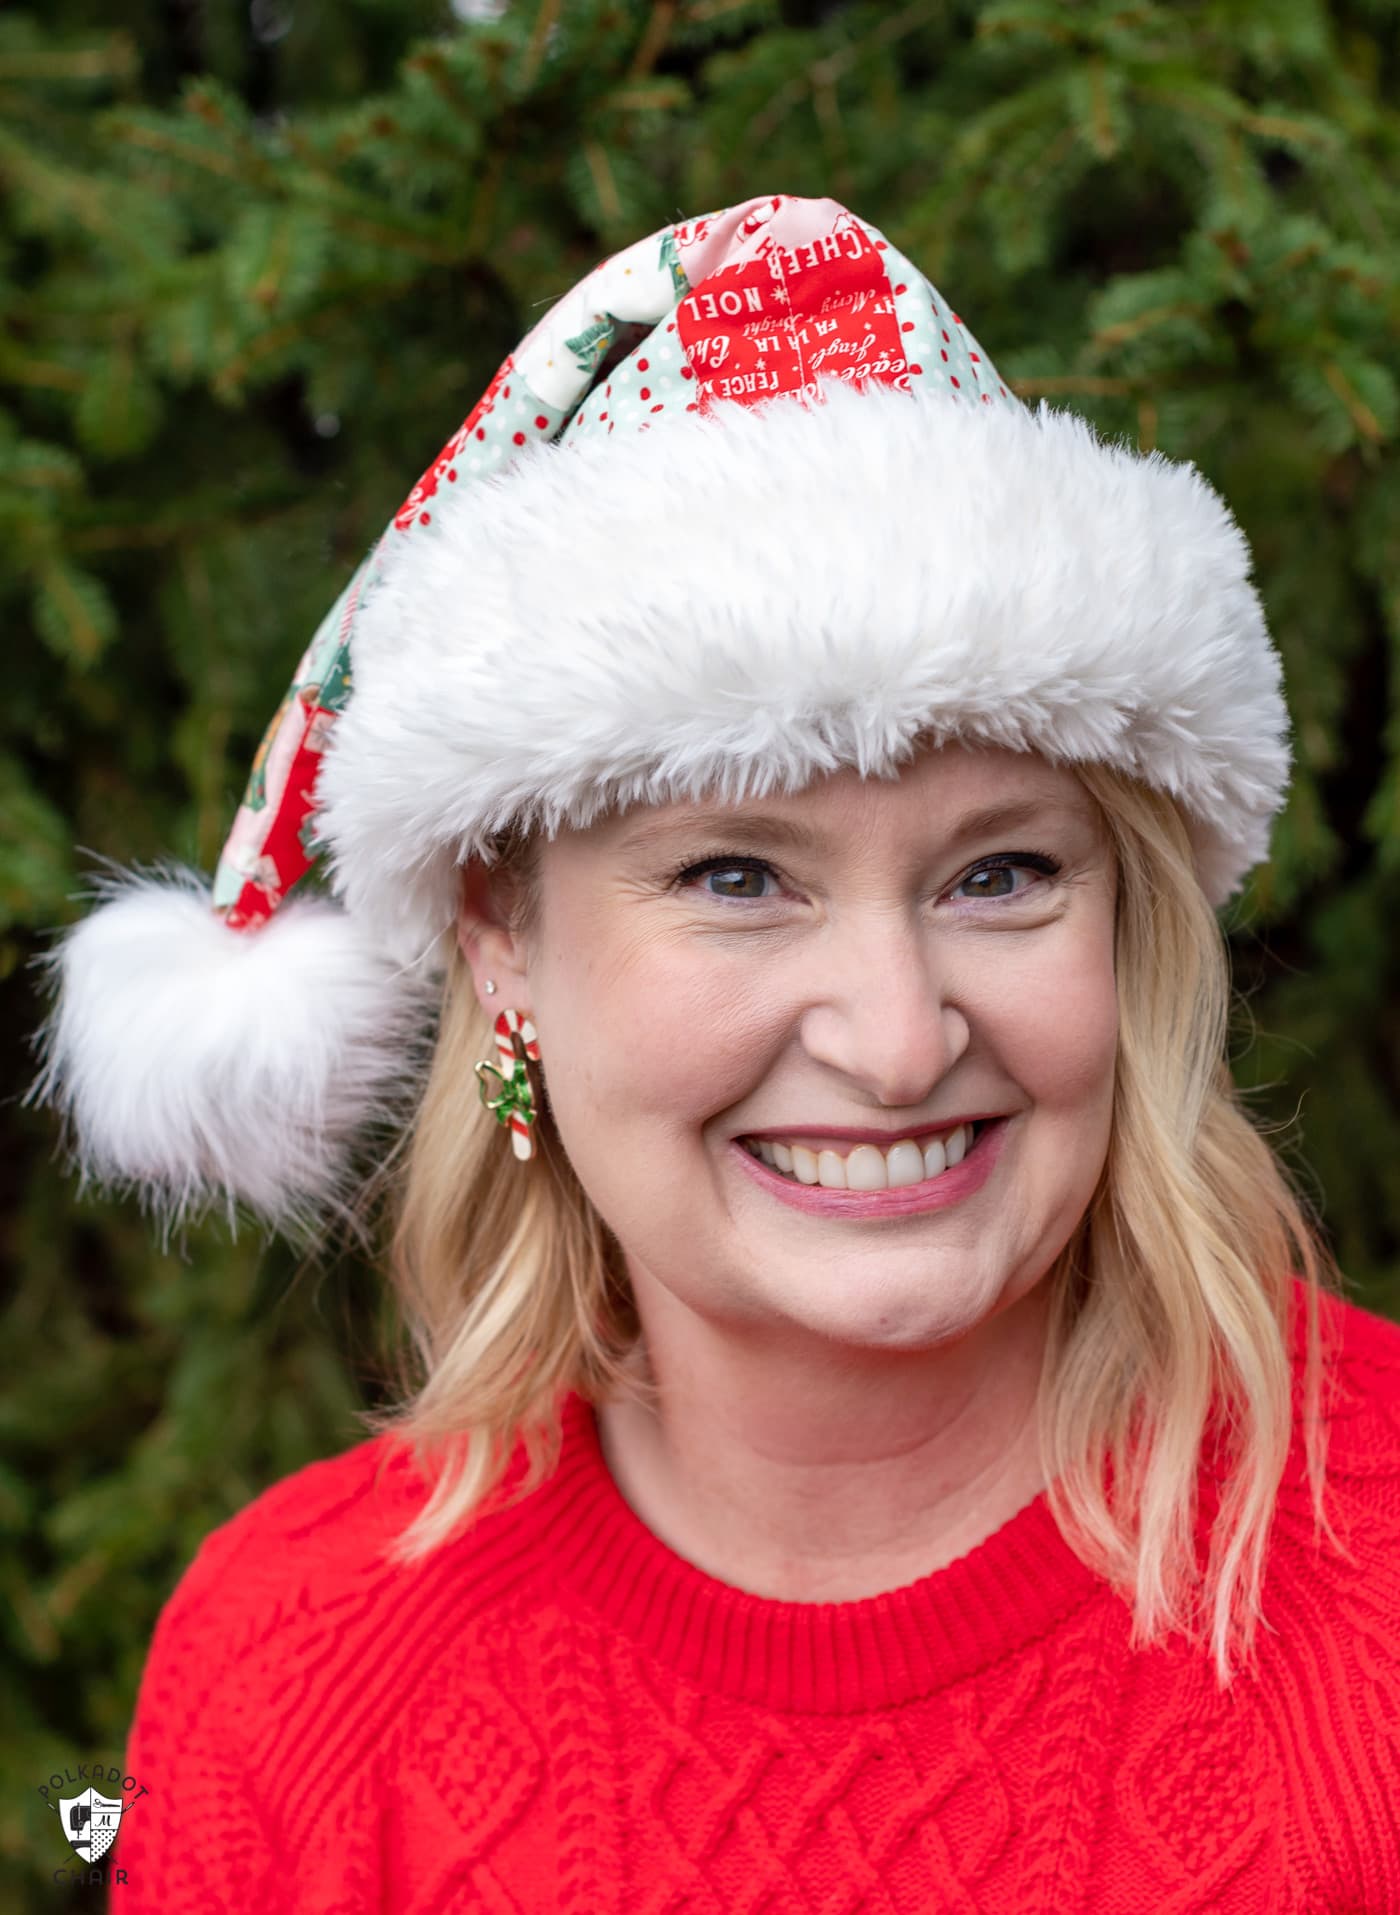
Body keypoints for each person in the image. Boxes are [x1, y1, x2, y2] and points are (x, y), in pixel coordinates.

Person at [38, 194, 1400, 1912]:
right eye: (737, 878)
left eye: (1004, 874)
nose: (898, 1043)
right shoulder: (285, 1674)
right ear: (499, 935)